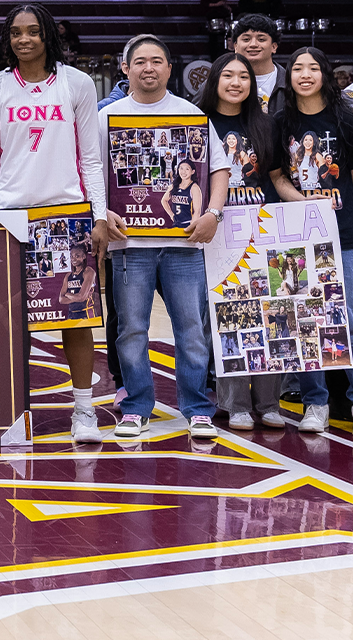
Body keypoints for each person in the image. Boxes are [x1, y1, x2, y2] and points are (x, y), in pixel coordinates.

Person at [0, 4, 108, 441]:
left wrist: (100, 214)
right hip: (13, 218)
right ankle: (17, 411)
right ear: (7, 40)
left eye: (33, 32)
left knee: (77, 317)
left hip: (69, 214)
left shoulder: (77, 83)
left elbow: (91, 157)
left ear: (48, 35)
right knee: (12, 320)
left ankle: (84, 411)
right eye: (16, 33)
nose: (24, 39)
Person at [99, 34, 230, 442]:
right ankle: (136, 406)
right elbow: (88, 171)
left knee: (191, 329)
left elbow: (219, 171)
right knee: (131, 329)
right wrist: (101, 211)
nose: (149, 68)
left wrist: (212, 213)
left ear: (170, 69)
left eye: (157, 61)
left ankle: (197, 407)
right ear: (126, 68)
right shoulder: (109, 117)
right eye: (140, 61)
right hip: (129, 246)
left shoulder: (191, 115)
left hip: (183, 244)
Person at [274, 47, 353, 436]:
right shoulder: (279, 121)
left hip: (347, 235)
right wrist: (307, 204)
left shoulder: (346, 120)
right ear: (289, 76)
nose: (305, 74)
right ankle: (315, 402)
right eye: (297, 68)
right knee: (306, 322)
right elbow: (277, 177)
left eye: (313, 67)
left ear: (325, 74)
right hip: (297, 235)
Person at [194, 51, 287, 430]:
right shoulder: (197, 123)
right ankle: (235, 404)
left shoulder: (266, 126)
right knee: (227, 317)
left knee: (268, 315)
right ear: (213, 80)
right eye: (228, 75)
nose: (236, 82)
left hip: (261, 230)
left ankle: (268, 403)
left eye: (244, 77)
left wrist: (306, 202)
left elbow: (278, 180)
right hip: (214, 232)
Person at [229, 14, 288, 114]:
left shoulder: (290, 82)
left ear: (274, 46)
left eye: (261, 39)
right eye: (246, 39)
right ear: (235, 46)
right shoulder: (218, 81)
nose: (253, 45)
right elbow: (196, 118)